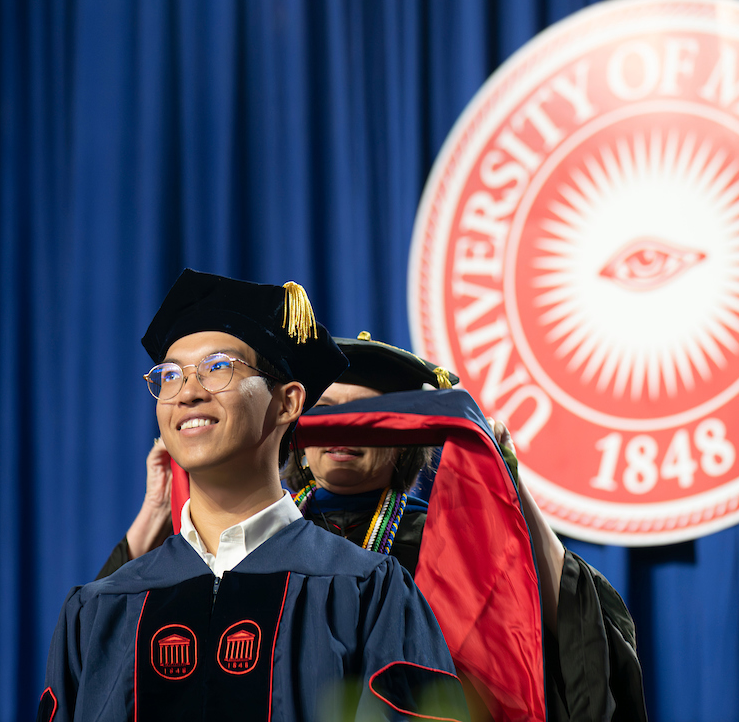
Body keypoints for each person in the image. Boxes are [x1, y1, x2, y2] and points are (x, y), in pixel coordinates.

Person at [99, 331, 647, 722]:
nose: (343, 431)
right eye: (329, 412)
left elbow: (561, 623)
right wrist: (153, 511)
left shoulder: (438, 543)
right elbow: (121, 635)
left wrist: (507, 481)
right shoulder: (245, 539)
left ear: (402, 437)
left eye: (367, 417)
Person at [40, 270, 468, 722]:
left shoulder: (368, 590)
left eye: (218, 367)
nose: (187, 393)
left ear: (287, 403)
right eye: (169, 376)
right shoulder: (100, 609)